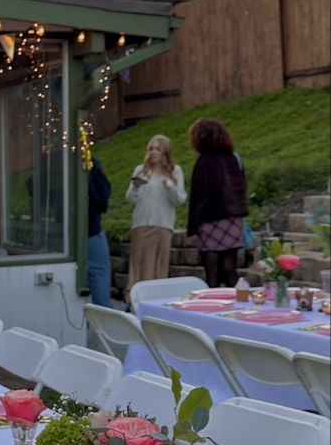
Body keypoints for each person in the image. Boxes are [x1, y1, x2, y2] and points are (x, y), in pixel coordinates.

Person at [187, 118, 248, 288]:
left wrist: (193, 227)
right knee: (230, 269)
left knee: (212, 273)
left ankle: (214, 307)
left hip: (209, 220)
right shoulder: (233, 159)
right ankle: (236, 306)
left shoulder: (203, 162)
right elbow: (241, 187)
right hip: (232, 219)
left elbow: (198, 197)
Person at [125, 134, 186, 298]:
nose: (153, 152)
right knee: (140, 265)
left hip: (163, 225)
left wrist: (170, 187)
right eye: (151, 149)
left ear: (165, 152)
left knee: (159, 266)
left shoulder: (175, 171)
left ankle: (157, 299)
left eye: (157, 149)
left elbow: (179, 200)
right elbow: (130, 198)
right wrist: (136, 187)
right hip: (142, 224)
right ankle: (135, 299)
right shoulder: (141, 170)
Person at [87, 156, 112, 307]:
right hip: (90, 229)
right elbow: (102, 194)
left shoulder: (51, 160)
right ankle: (105, 319)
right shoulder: (88, 161)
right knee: (99, 273)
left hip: (59, 232)